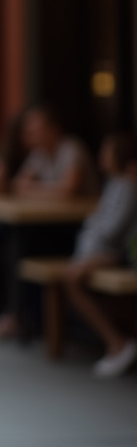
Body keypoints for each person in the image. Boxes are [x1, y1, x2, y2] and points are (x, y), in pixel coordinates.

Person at [0, 105, 95, 335]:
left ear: (54, 129)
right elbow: (18, 186)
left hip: (80, 228)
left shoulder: (71, 149)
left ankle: (21, 317)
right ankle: (5, 313)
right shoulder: (39, 154)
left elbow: (68, 191)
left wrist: (35, 189)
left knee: (19, 245)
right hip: (48, 223)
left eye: (36, 129)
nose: (30, 135)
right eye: (28, 130)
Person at [61, 133, 137, 378]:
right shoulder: (114, 184)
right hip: (104, 251)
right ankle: (116, 342)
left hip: (117, 254)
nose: (101, 157)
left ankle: (117, 343)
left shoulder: (127, 186)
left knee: (72, 278)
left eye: (106, 152)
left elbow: (112, 231)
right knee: (71, 276)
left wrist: (92, 223)